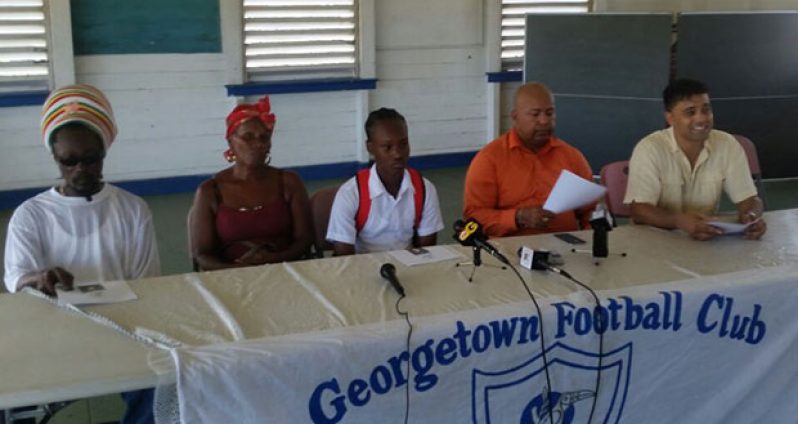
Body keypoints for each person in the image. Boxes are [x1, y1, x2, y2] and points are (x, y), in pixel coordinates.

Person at [3, 84, 160, 423]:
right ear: (54, 157)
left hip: (124, 329)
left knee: (166, 378)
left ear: (105, 151)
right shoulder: (31, 215)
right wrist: (38, 278)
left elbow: (148, 286)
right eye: (68, 161)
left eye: (91, 159)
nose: (80, 170)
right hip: (53, 333)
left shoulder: (132, 209)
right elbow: (16, 279)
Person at [624, 78, 766, 241]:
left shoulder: (727, 144)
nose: (701, 119)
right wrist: (678, 221)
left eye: (706, 110)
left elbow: (749, 199)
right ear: (670, 118)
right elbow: (639, 210)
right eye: (690, 112)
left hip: (706, 239)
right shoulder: (650, 148)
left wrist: (752, 216)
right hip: (654, 240)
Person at [189, 96, 313, 269]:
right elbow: (202, 254)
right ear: (230, 141)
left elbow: (304, 240)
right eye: (247, 137)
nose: (258, 144)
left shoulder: (288, 182)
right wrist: (237, 271)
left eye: (264, 138)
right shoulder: (210, 191)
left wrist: (273, 260)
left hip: (283, 270)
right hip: (230, 274)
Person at [463, 82, 594, 237]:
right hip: (509, 251)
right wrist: (517, 218)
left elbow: (591, 210)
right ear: (515, 117)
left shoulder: (572, 157)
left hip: (567, 248)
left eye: (550, 113)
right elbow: (473, 218)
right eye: (535, 114)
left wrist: (592, 236)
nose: (544, 121)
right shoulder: (489, 159)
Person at [326, 108, 444, 255]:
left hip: (409, 267)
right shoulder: (350, 194)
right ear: (370, 148)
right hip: (363, 267)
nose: (397, 154)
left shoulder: (425, 190)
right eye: (387, 147)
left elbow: (427, 251)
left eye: (403, 144)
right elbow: (345, 257)